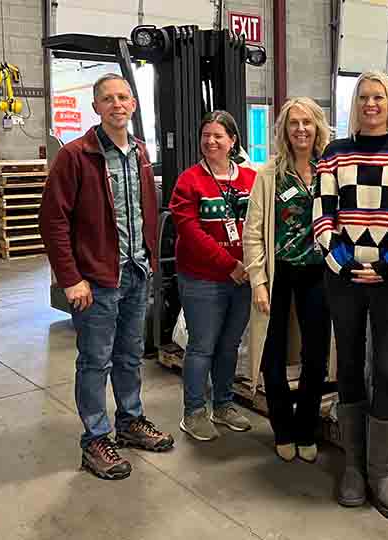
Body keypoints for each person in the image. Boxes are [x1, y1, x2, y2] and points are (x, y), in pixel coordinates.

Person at [39, 73, 175, 481]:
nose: (117, 105)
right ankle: (95, 439)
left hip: (136, 270)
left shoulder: (139, 152)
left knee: (130, 355)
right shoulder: (76, 155)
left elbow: (142, 209)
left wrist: (150, 255)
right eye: (108, 99)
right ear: (96, 107)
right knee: (95, 361)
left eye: (123, 98)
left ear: (133, 105)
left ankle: (130, 421)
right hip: (97, 279)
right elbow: (52, 221)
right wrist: (70, 278)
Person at [313, 71, 388, 520]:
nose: (370, 104)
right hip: (342, 277)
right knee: (347, 366)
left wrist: (386, 266)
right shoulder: (334, 153)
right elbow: (324, 212)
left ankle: (381, 473)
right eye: (363, 96)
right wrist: (346, 263)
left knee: (386, 370)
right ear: (355, 104)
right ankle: (353, 468)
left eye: (378, 96)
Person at [243, 97, 332, 463]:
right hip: (278, 272)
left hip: (318, 272)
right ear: (283, 130)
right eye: (293, 123)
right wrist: (258, 281)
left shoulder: (330, 170)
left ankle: (306, 427)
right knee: (272, 352)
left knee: (316, 354)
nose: (300, 129)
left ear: (317, 127)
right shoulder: (269, 175)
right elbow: (253, 231)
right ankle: (283, 426)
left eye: (307, 123)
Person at [169, 111, 256, 441]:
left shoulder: (249, 179)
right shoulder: (189, 181)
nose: (211, 141)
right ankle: (193, 412)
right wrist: (229, 265)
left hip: (243, 278)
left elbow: (260, 224)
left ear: (233, 141)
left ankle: (223, 405)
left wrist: (253, 265)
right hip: (203, 278)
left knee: (229, 345)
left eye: (219, 135)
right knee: (202, 346)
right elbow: (190, 232)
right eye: (206, 135)